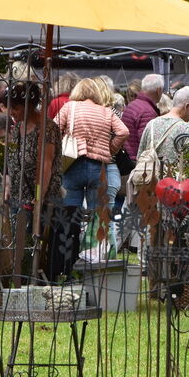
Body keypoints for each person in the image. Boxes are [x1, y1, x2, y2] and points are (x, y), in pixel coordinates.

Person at [55, 78, 127, 274]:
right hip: (98, 168)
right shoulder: (105, 111)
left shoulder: (70, 108)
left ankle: (67, 265)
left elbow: (52, 130)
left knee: (71, 216)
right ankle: (95, 262)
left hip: (73, 164)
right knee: (97, 217)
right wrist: (109, 150)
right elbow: (123, 132)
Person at [3, 82, 63, 277]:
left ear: (30, 105)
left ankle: (29, 281)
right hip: (18, 195)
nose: (11, 111)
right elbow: (12, 161)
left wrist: (39, 197)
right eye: (9, 106)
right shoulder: (16, 127)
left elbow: (45, 166)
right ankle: (18, 278)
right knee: (17, 241)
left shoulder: (47, 128)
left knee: (33, 244)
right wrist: (8, 185)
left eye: (16, 107)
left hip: (39, 199)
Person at [136, 86, 189, 172]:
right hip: (172, 183)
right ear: (186, 106)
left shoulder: (152, 124)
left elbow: (140, 156)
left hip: (149, 181)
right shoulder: (186, 128)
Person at [121, 73, 163, 159]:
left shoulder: (132, 106)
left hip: (130, 157)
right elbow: (147, 143)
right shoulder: (147, 111)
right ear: (158, 90)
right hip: (140, 161)